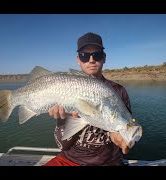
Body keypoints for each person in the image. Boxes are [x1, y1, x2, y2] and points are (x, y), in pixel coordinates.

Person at [44, 32, 132, 166]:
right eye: (85, 56)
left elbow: (128, 130)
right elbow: (63, 145)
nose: (91, 60)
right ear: (78, 60)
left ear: (104, 58)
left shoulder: (119, 91)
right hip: (70, 160)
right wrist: (60, 119)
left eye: (96, 54)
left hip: (108, 162)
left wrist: (122, 139)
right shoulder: (64, 88)